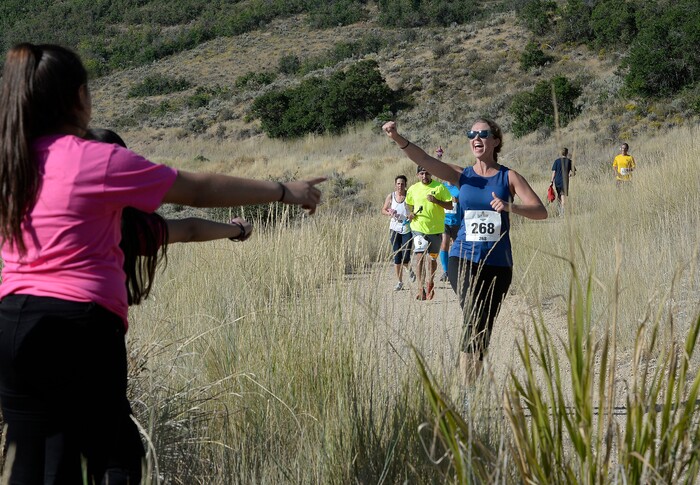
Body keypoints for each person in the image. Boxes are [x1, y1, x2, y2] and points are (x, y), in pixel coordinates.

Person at [0, 43, 323, 484]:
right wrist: (284, 190)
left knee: (33, 465)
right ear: (79, 97)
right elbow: (198, 191)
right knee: (106, 461)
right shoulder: (95, 160)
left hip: (12, 325)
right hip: (76, 325)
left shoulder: (11, 161)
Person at [383, 118, 547, 385]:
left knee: (482, 326)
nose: (476, 138)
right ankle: (468, 394)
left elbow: (541, 212)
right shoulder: (462, 175)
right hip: (464, 258)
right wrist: (397, 137)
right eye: (472, 134)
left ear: (495, 141)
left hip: (499, 263)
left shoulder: (509, 177)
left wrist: (510, 207)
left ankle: (472, 388)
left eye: (483, 134)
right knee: (473, 314)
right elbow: (424, 158)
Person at [86, 128, 252, 305]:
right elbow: (190, 230)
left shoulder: (58, 216)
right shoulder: (131, 226)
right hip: (100, 319)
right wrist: (238, 229)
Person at [406, 165, 453, 300]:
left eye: (427, 173)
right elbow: (409, 204)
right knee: (419, 256)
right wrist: (411, 213)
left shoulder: (439, 187)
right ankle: (420, 288)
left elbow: (450, 205)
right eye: (421, 174)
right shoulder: (413, 189)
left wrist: (436, 201)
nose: (424, 177)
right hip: (418, 228)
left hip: (436, 229)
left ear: (431, 174)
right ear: (417, 175)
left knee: (432, 259)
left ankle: (430, 283)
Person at [381, 174, 415, 291]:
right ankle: (400, 282)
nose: (400, 186)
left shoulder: (409, 196)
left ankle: (409, 270)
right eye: (398, 184)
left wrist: (411, 215)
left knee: (405, 257)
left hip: (406, 229)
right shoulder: (391, 196)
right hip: (394, 229)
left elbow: (414, 210)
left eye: (402, 184)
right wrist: (389, 212)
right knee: (397, 256)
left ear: (406, 185)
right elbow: (383, 209)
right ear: (395, 185)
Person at [438, 177, 460, 283]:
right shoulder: (441, 187)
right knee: (444, 244)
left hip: (457, 221)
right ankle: (446, 271)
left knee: (456, 248)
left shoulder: (459, 187)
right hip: (445, 221)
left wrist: (458, 201)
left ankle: (455, 271)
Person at [549, 147, 576, 214]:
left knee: (559, 195)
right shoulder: (569, 161)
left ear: (561, 153)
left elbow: (554, 172)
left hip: (557, 181)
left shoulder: (556, 161)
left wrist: (551, 181)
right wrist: (570, 175)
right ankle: (562, 213)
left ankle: (559, 210)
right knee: (563, 196)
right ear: (567, 153)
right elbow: (574, 173)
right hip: (564, 181)